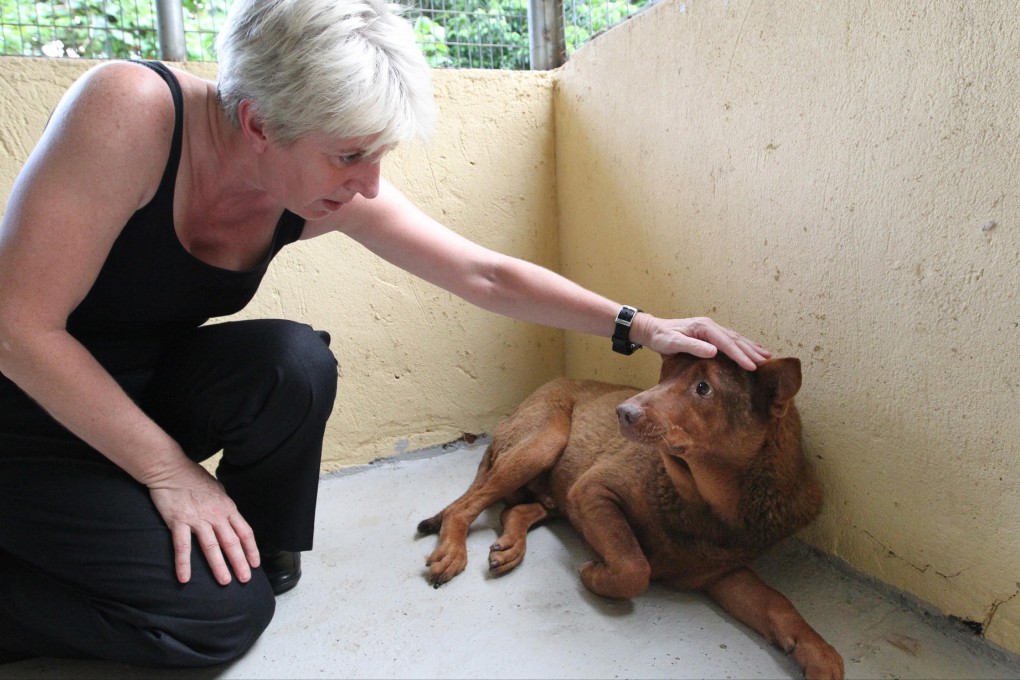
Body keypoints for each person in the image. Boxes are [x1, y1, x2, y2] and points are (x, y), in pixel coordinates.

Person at [0, 0, 771, 668]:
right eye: (350, 157)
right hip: (26, 418)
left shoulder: (308, 179)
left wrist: (645, 326)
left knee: (293, 361)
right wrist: (171, 473)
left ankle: (248, 555)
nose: (369, 184)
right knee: (212, 626)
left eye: (378, 155)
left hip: (138, 386)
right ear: (257, 122)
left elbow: (483, 274)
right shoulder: (128, 110)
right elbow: (17, 328)